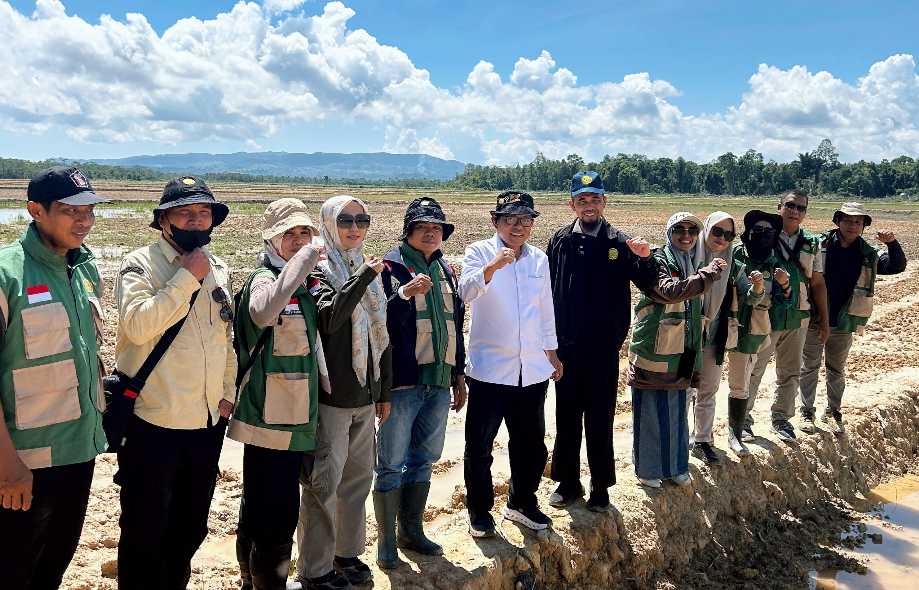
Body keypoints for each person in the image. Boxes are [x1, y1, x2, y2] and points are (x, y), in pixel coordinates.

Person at [114, 176, 236, 589]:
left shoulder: (219, 267)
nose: (196, 221)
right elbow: (138, 324)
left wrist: (226, 392)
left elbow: (224, 337)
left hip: (205, 423)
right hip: (154, 422)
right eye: (185, 213)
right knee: (144, 529)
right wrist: (185, 278)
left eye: (204, 213)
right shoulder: (140, 265)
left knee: (191, 525)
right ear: (164, 220)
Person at [0, 166, 108, 589]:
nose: (83, 220)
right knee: (12, 569)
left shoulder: (83, 270)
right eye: (69, 210)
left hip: (78, 452)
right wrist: (9, 466)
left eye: (89, 210)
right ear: (35, 210)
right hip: (24, 462)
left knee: (54, 563)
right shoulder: (7, 274)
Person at [229, 198, 326, 590]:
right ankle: (266, 581)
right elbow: (263, 311)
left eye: (305, 233)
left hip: (296, 417)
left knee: (261, 504)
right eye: (290, 234)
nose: (299, 241)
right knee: (276, 510)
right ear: (271, 239)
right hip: (269, 420)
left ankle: (252, 578)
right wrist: (301, 263)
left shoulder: (307, 286)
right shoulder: (264, 279)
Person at [295, 195, 392, 590]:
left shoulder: (362, 266)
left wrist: (383, 390)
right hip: (333, 398)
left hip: (365, 396)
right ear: (329, 224)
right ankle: (316, 570)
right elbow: (331, 319)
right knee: (323, 487)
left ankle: (347, 555)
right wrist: (364, 278)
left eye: (362, 220)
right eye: (346, 220)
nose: (354, 228)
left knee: (357, 482)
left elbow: (381, 337)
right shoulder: (316, 269)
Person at [459, 191, 563, 537]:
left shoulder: (538, 259)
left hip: (531, 369)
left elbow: (545, 307)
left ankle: (521, 502)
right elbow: (466, 293)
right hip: (490, 370)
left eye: (525, 220)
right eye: (510, 219)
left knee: (531, 443)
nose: (518, 226)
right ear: (495, 222)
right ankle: (479, 512)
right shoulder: (478, 252)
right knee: (480, 446)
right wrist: (492, 267)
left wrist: (551, 350)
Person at [546, 171, 652, 511]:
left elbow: (648, 281)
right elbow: (547, 290)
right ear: (572, 203)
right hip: (566, 348)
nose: (588, 205)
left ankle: (600, 486)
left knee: (600, 416)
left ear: (604, 202)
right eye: (582, 199)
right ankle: (567, 482)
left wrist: (646, 257)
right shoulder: (560, 240)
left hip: (604, 349)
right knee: (566, 415)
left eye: (594, 199)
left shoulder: (620, 242)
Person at [374, 197, 467, 569]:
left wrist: (459, 374)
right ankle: (386, 542)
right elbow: (376, 321)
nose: (431, 232)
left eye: (437, 228)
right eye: (423, 227)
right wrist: (403, 295)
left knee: (425, 458)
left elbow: (455, 325)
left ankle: (411, 530)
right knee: (391, 462)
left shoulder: (446, 269)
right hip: (403, 382)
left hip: (439, 380)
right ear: (408, 230)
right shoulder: (388, 268)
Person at [629, 212, 725, 488]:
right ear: (669, 232)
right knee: (650, 410)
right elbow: (669, 292)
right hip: (654, 350)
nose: (686, 236)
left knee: (676, 408)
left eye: (692, 231)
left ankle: (675, 466)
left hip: (681, 351)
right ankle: (648, 470)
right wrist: (707, 275)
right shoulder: (657, 261)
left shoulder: (694, 262)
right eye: (680, 230)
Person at [799, 202, 906, 434]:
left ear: (863, 226)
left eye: (858, 222)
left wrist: (891, 243)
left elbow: (896, 266)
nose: (853, 225)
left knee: (836, 369)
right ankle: (806, 412)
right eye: (848, 220)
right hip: (815, 316)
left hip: (844, 319)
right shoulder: (820, 245)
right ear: (838, 222)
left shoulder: (867, 254)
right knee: (809, 366)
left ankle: (833, 411)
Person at [743, 189, 829, 443]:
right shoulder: (764, 233)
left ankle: (781, 419)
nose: (795, 211)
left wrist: (823, 319)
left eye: (801, 208)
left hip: (798, 315)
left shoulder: (813, 242)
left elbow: (818, 284)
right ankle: (743, 420)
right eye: (790, 206)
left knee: (790, 372)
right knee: (754, 369)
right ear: (779, 206)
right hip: (765, 314)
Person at [690, 211, 767, 465]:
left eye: (728, 235)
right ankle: (680, 442)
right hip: (685, 335)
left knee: (708, 390)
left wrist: (757, 287)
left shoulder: (732, 262)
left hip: (714, 336)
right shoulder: (688, 256)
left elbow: (749, 296)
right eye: (717, 232)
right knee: (683, 390)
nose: (722, 239)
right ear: (706, 231)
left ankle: (702, 440)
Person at [722, 211, 790, 457]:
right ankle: (700, 436)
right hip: (722, 325)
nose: (763, 236)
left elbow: (784, 303)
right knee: (703, 383)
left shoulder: (775, 265)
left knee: (741, 384)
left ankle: (736, 433)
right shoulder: (733, 254)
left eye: (769, 232)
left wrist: (784, 286)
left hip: (752, 330)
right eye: (758, 231)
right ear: (747, 233)